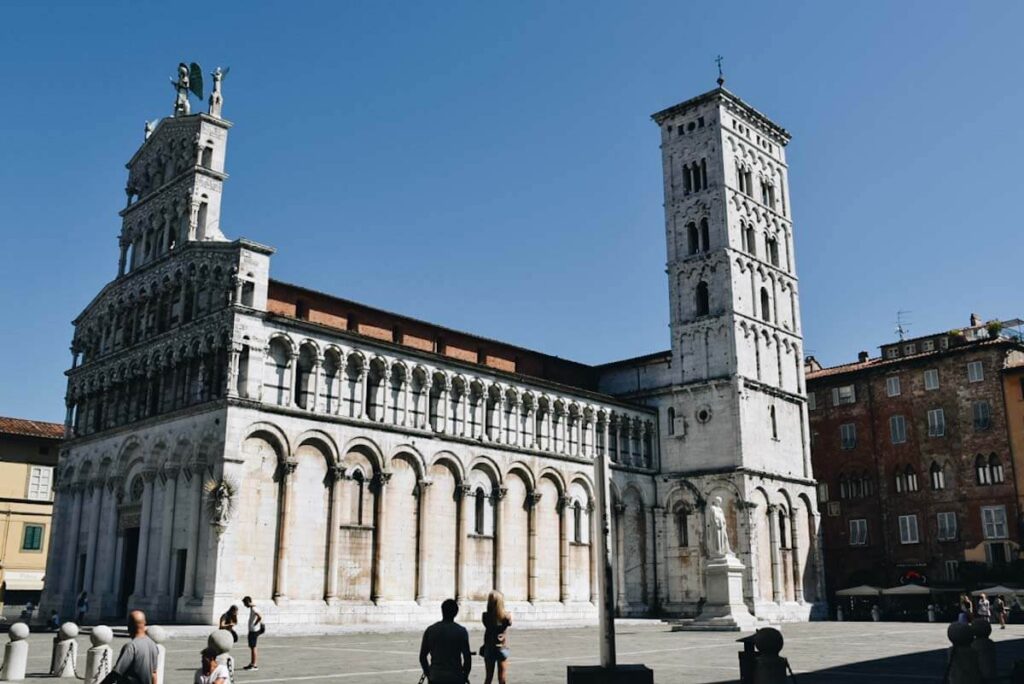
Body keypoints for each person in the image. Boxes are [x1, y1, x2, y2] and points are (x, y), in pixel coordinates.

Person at [420, 599, 471, 684]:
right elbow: (467, 657)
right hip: (455, 676)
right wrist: (465, 675)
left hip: (436, 675)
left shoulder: (431, 630)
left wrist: (429, 674)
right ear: (456, 612)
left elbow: (422, 657)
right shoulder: (461, 631)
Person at [111, 610, 159, 684]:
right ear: (144, 623)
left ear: (130, 626)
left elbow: (117, 673)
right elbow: (154, 673)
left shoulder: (131, 646)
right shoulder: (152, 645)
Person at [482, 590, 512, 684]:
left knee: (488, 677)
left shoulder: (485, 616)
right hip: (501, 648)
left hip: (489, 647)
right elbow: (509, 622)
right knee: (502, 678)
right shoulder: (506, 617)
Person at [242, 596, 263, 671]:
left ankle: (254, 665)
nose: (244, 605)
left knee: (253, 647)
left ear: (247, 602)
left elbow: (260, 616)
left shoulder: (254, 608)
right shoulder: (253, 607)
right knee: (252, 647)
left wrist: (255, 624)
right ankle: (252, 663)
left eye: (244, 604)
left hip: (253, 631)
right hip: (253, 630)